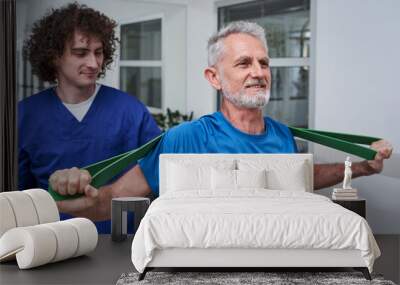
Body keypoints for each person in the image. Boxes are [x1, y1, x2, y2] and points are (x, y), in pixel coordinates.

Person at [49, 21, 393, 221]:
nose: (259, 73)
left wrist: (361, 167)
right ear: (214, 78)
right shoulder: (184, 138)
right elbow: (113, 200)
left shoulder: (284, 136)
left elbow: (300, 174)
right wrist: (58, 198)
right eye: (244, 63)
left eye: (263, 62)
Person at [18, 3, 161, 233]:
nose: (94, 63)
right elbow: (18, 195)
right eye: (81, 53)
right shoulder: (26, 115)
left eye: (98, 52)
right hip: (51, 243)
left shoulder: (130, 110)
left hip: (120, 242)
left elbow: (158, 175)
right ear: (54, 56)